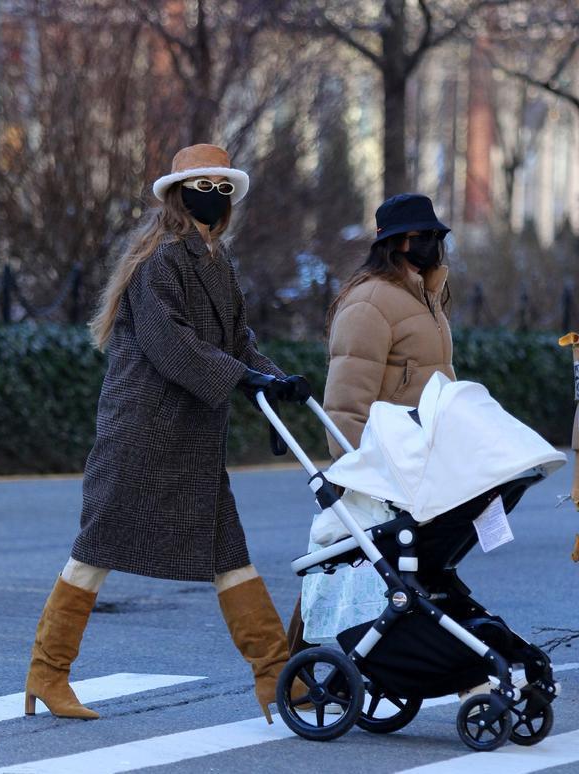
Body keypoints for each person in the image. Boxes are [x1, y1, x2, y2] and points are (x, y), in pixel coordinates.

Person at [24, 143, 310, 724]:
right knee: (95, 550)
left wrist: (276, 380)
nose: (215, 196)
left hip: (192, 433)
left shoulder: (217, 262)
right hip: (142, 430)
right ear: (178, 193)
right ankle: (47, 673)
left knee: (230, 554)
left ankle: (277, 679)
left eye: (223, 187)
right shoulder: (159, 262)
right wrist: (243, 376)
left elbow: (235, 339)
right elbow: (171, 344)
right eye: (203, 185)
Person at [287, 192, 454, 655]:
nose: (435, 245)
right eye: (426, 237)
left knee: (411, 568)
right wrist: (359, 466)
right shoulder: (370, 302)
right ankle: (299, 660)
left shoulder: (426, 296)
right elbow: (345, 399)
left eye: (438, 237)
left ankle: (415, 661)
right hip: (383, 465)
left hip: (418, 462)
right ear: (399, 243)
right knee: (356, 560)